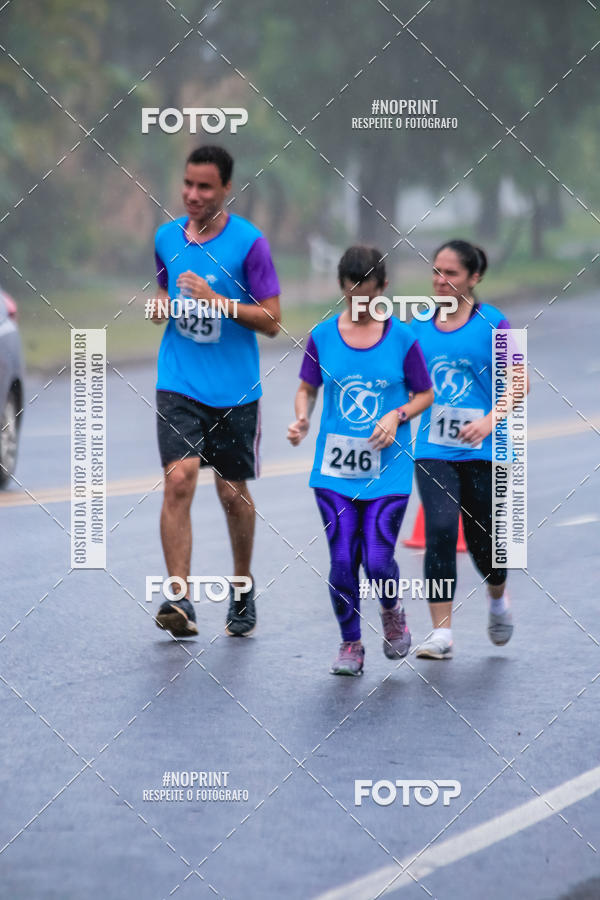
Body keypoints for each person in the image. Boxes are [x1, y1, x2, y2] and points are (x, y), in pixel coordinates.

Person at [149, 145, 281, 638]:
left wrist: (219, 302)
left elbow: (271, 321)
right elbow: (165, 288)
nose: (192, 194)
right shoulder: (166, 237)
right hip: (178, 380)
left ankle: (242, 586)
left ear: (227, 188)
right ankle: (180, 600)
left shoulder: (250, 245)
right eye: (187, 184)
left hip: (234, 391)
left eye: (205, 186)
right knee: (179, 478)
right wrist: (161, 305)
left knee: (230, 493)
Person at [287, 246, 434, 675]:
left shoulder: (402, 338)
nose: (362, 305)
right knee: (341, 560)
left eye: (369, 295)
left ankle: (391, 610)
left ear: (384, 288)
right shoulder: (323, 336)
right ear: (342, 288)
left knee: (377, 558)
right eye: (354, 296)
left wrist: (397, 413)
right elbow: (307, 388)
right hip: (334, 471)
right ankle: (351, 644)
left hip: (388, 469)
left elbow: (424, 393)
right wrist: (301, 418)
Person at [412, 239, 529, 659]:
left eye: (451, 274)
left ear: (474, 278)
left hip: (486, 449)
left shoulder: (494, 323)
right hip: (433, 447)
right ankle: (441, 632)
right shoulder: (418, 325)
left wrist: (488, 420)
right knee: (440, 530)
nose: (440, 281)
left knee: (485, 547)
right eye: (436, 271)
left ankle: (497, 595)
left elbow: (521, 381)